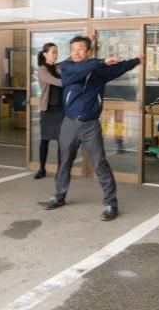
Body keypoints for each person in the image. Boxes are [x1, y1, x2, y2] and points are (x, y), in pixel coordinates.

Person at [39, 36, 143, 221]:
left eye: (80, 49)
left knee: (100, 163)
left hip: (90, 125)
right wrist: (102, 61)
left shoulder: (99, 71)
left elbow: (119, 68)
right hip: (70, 123)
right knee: (65, 161)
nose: (76, 53)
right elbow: (80, 70)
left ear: (88, 51)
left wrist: (136, 60)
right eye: (73, 49)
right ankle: (59, 196)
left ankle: (111, 204)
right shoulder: (67, 68)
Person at [34, 42, 63, 179]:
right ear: (45, 54)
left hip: (61, 109)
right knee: (44, 140)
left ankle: (60, 171)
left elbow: (71, 58)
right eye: (53, 52)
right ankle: (42, 169)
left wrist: (90, 43)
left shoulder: (59, 67)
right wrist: (71, 81)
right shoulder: (42, 70)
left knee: (61, 141)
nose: (56, 55)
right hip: (48, 109)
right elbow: (56, 82)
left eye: (57, 52)